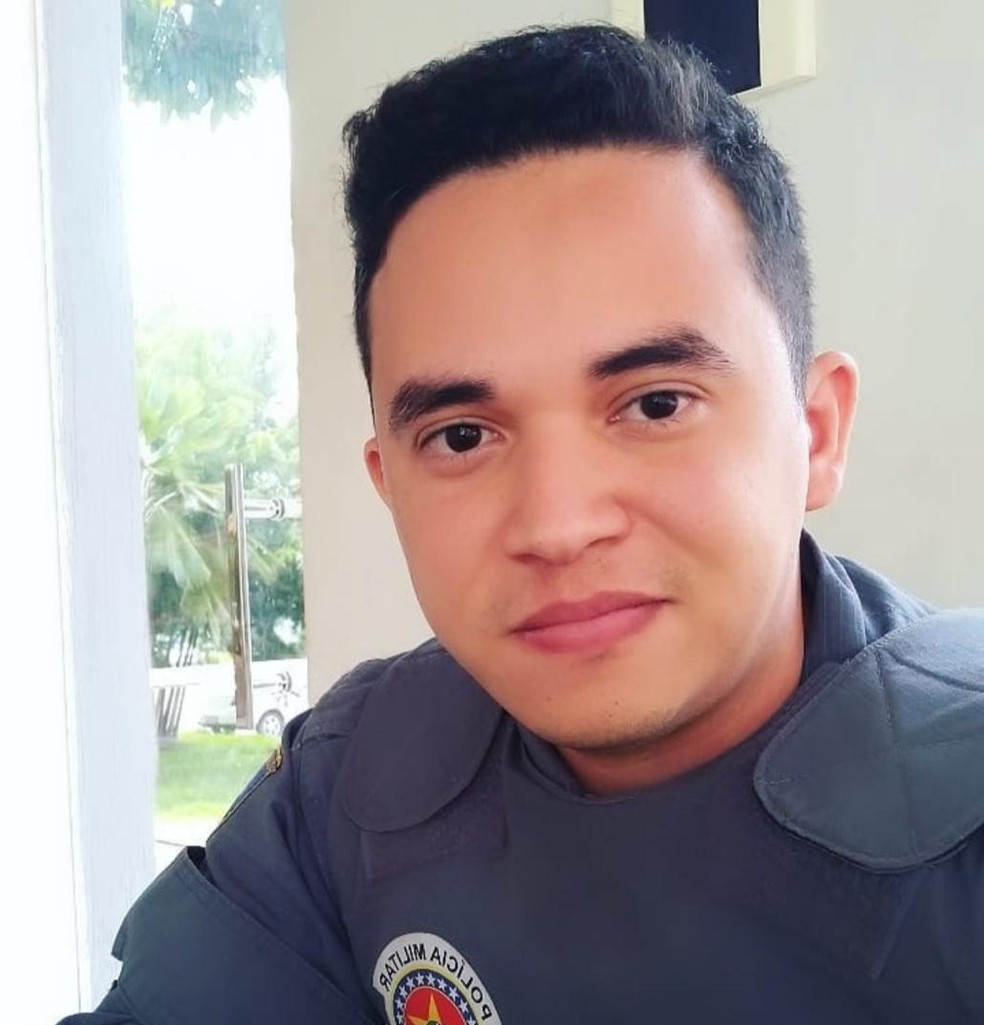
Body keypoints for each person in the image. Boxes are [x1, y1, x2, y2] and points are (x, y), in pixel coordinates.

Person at [61, 24, 984, 1025]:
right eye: (461, 436)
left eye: (655, 404)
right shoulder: (351, 780)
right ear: (389, 482)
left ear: (817, 431)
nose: (557, 523)